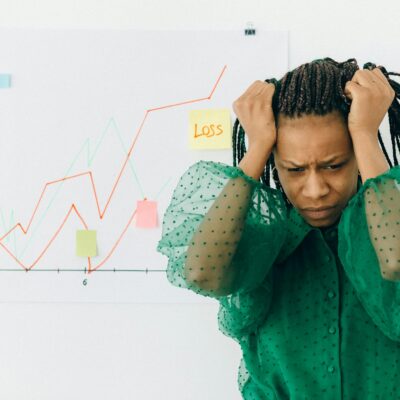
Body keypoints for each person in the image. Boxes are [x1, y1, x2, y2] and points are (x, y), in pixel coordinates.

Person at [156, 57, 400, 399]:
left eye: (334, 165)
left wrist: (365, 133)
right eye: (295, 169)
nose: (315, 190)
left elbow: (396, 260)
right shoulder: (263, 240)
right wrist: (257, 146)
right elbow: (200, 272)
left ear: (357, 156)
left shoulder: (390, 222)